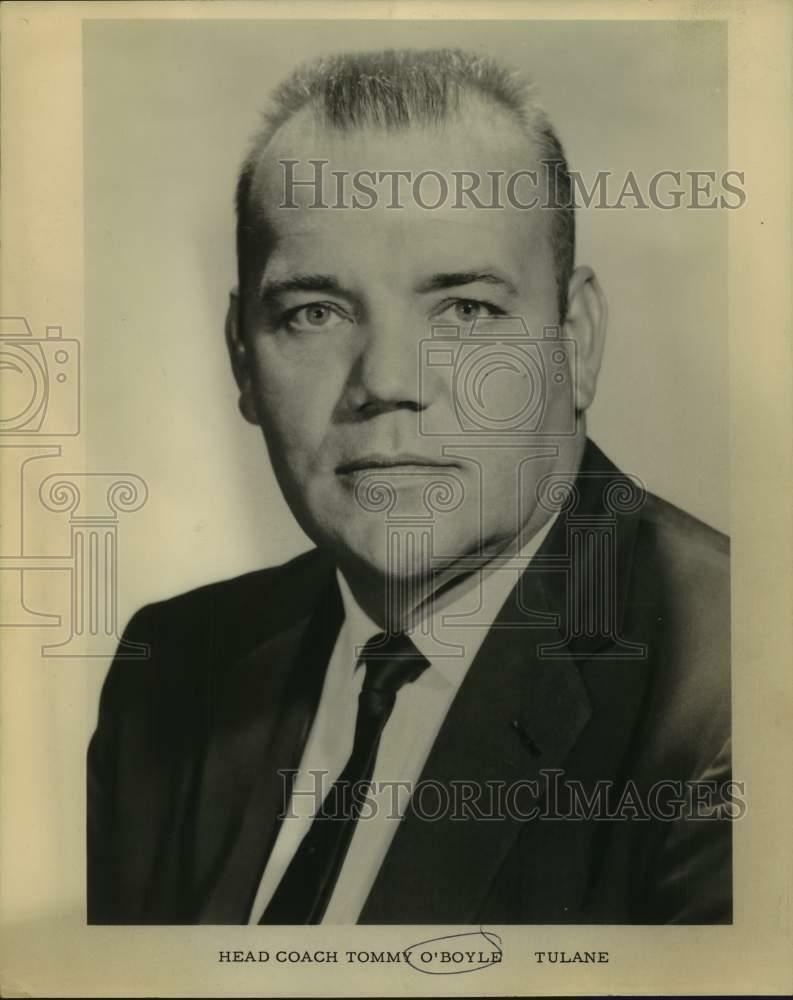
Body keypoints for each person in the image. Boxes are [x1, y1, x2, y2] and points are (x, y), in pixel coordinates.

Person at [87, 48, 732, 925]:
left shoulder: (733, 690)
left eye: (465, 309)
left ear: (573, 340)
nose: (388, 379)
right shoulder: (173, 670)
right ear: (242, 355)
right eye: (315, 312)